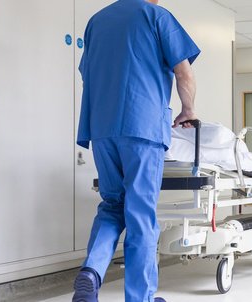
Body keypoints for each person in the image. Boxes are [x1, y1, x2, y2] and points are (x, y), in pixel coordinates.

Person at [73, 0, 201, 301]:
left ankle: (91, 272)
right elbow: (184, 73)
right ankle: (140, 297)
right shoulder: (157, 16)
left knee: (113, 205)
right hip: (142, 128)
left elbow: (86, 74)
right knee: (140, 214)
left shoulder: (96, 21)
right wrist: (188, 109)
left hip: (102, 129)